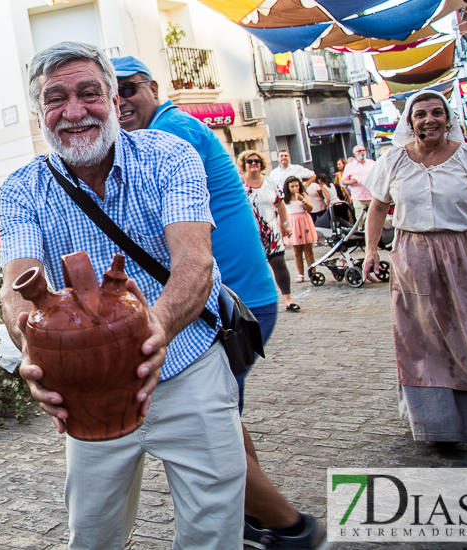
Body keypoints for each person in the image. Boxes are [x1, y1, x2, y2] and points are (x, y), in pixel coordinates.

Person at [0, 42, 245, 549]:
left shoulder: (168, 156)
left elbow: (195, 264)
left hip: (189, 368)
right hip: (89, 392)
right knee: (93, 534)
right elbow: (17, 287)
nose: (73, 112)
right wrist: (32, 351)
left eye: (89, 92)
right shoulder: (21, 190)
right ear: (39, 112)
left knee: (214, 529)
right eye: (55, 98)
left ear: (113, 98)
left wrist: (153, 330)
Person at [112, 55, 324, 549]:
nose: (120, 101)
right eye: (111, 91)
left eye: (129, 88)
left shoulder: (171, 135)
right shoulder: (165, 129)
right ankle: (257, 519)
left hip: (227, 303)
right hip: (228, 297)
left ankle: (293, 528)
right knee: (222, 421)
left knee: (206, 432)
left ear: (154, 86)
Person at [361, 91, 467, 446]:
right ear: (410, 122)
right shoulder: (393, 161)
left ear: (448, 119)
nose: (429, 120)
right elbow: (377, 208)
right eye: (420, 114)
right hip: (413, 255)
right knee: (421, 340)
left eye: (437, 113)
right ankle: (438, 427)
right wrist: (371, 250)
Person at [240, 150, 301, 312]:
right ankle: (254, 303)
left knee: (279, 263)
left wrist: (285, 224)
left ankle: (288, 299)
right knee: (253, 267)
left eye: (257, 161)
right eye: (249, 161)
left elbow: (280, 204)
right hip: (249, 232)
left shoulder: (269, 182)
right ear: (244, 164)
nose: (254, 164)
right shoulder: (239, 183)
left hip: (271, 230)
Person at [282, 177, 317, 282]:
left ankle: (313, 272)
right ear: (288, 188)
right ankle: (300, 274)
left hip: (303, 221)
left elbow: (310, 208)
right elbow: (282, 213)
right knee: (297, 251)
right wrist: (284, 226)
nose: (295, 188)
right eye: (292, 186)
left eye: (296, 186)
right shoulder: (285, 199)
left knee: (308, 250)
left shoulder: (303, 195)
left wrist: (302, 200)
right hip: (293, 222)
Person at [342, 144, 375, 217]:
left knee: (374, 218)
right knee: (361, 219)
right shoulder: (350, 166)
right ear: (354, 154)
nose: (362, 152)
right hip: (358, 198)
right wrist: (351, 182)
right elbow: (343, 182)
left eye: (363, 150)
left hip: (372, 195)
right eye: (359, 151)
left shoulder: (372, 163)